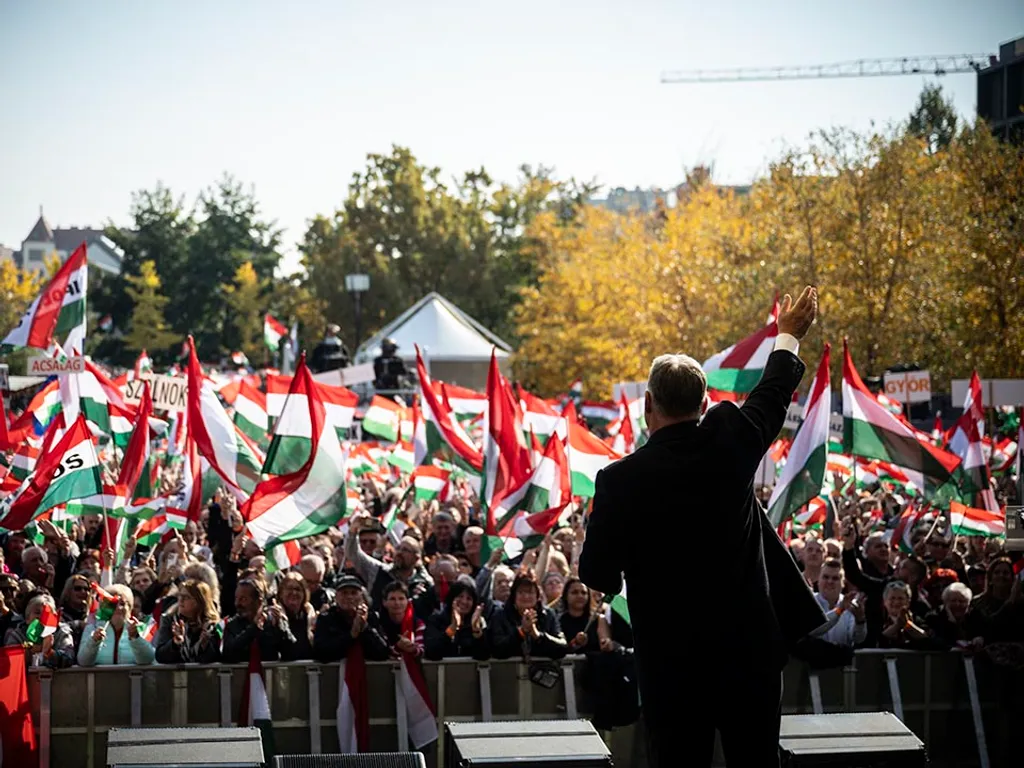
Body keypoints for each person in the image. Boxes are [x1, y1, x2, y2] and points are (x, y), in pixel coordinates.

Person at [579, 286, 826, 767]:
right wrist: (788, 336)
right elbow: (773, 394)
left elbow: (599, 575)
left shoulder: (619, 481)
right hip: (748, 657)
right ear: (705, 401)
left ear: (647, 403)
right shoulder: (730, 442)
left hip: (671, 667)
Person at [77, 585, 155, 666]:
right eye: (112, 604)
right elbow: (83, 662)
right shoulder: (92, 629)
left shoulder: (141, 628)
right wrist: (94, 641)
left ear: (130, 608)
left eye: (122, 603)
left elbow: (148, 659)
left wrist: (135, 638)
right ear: (104, 607)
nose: (118, 608)